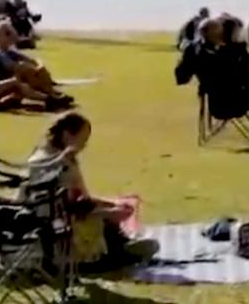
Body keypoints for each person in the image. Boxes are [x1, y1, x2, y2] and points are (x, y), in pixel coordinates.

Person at [25, 113, 158, 266]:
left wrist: (109, 204)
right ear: (67, 134)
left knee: (115, 213)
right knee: (114, 224)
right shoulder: (52, 163)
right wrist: (107, 212)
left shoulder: (57, 156)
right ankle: (114, 253)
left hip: (62, 217)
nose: (84, 145)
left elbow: (78, 199)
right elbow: (61, 210)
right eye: (83, 140)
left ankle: (122, 246)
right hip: (58, 228)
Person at [0, 21, 72, 107]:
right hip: (7, 83)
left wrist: (39, 65)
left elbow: (32, 60)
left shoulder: (10, 51)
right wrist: (30, 68)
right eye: (7, 34)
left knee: (35, 68)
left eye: (10, 32)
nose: (11, 36)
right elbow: (11, 66)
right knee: (23, 68)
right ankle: (51, 96)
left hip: (18, 81)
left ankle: (52, 93)